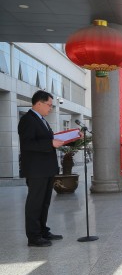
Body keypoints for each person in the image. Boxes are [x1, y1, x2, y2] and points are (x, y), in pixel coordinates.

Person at [18, 90, 66, 247]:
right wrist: (50, 143)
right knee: (35, 203)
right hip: (36, 170)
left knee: (44, 202)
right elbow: (27, 144)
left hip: (46, 168)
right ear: (38, 103)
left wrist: (63, 139)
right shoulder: (27, 120)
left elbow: (46, 140)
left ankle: (43, 231)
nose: (50, 108)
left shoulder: (42, 120)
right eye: (49, 105)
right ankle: (33, 237)